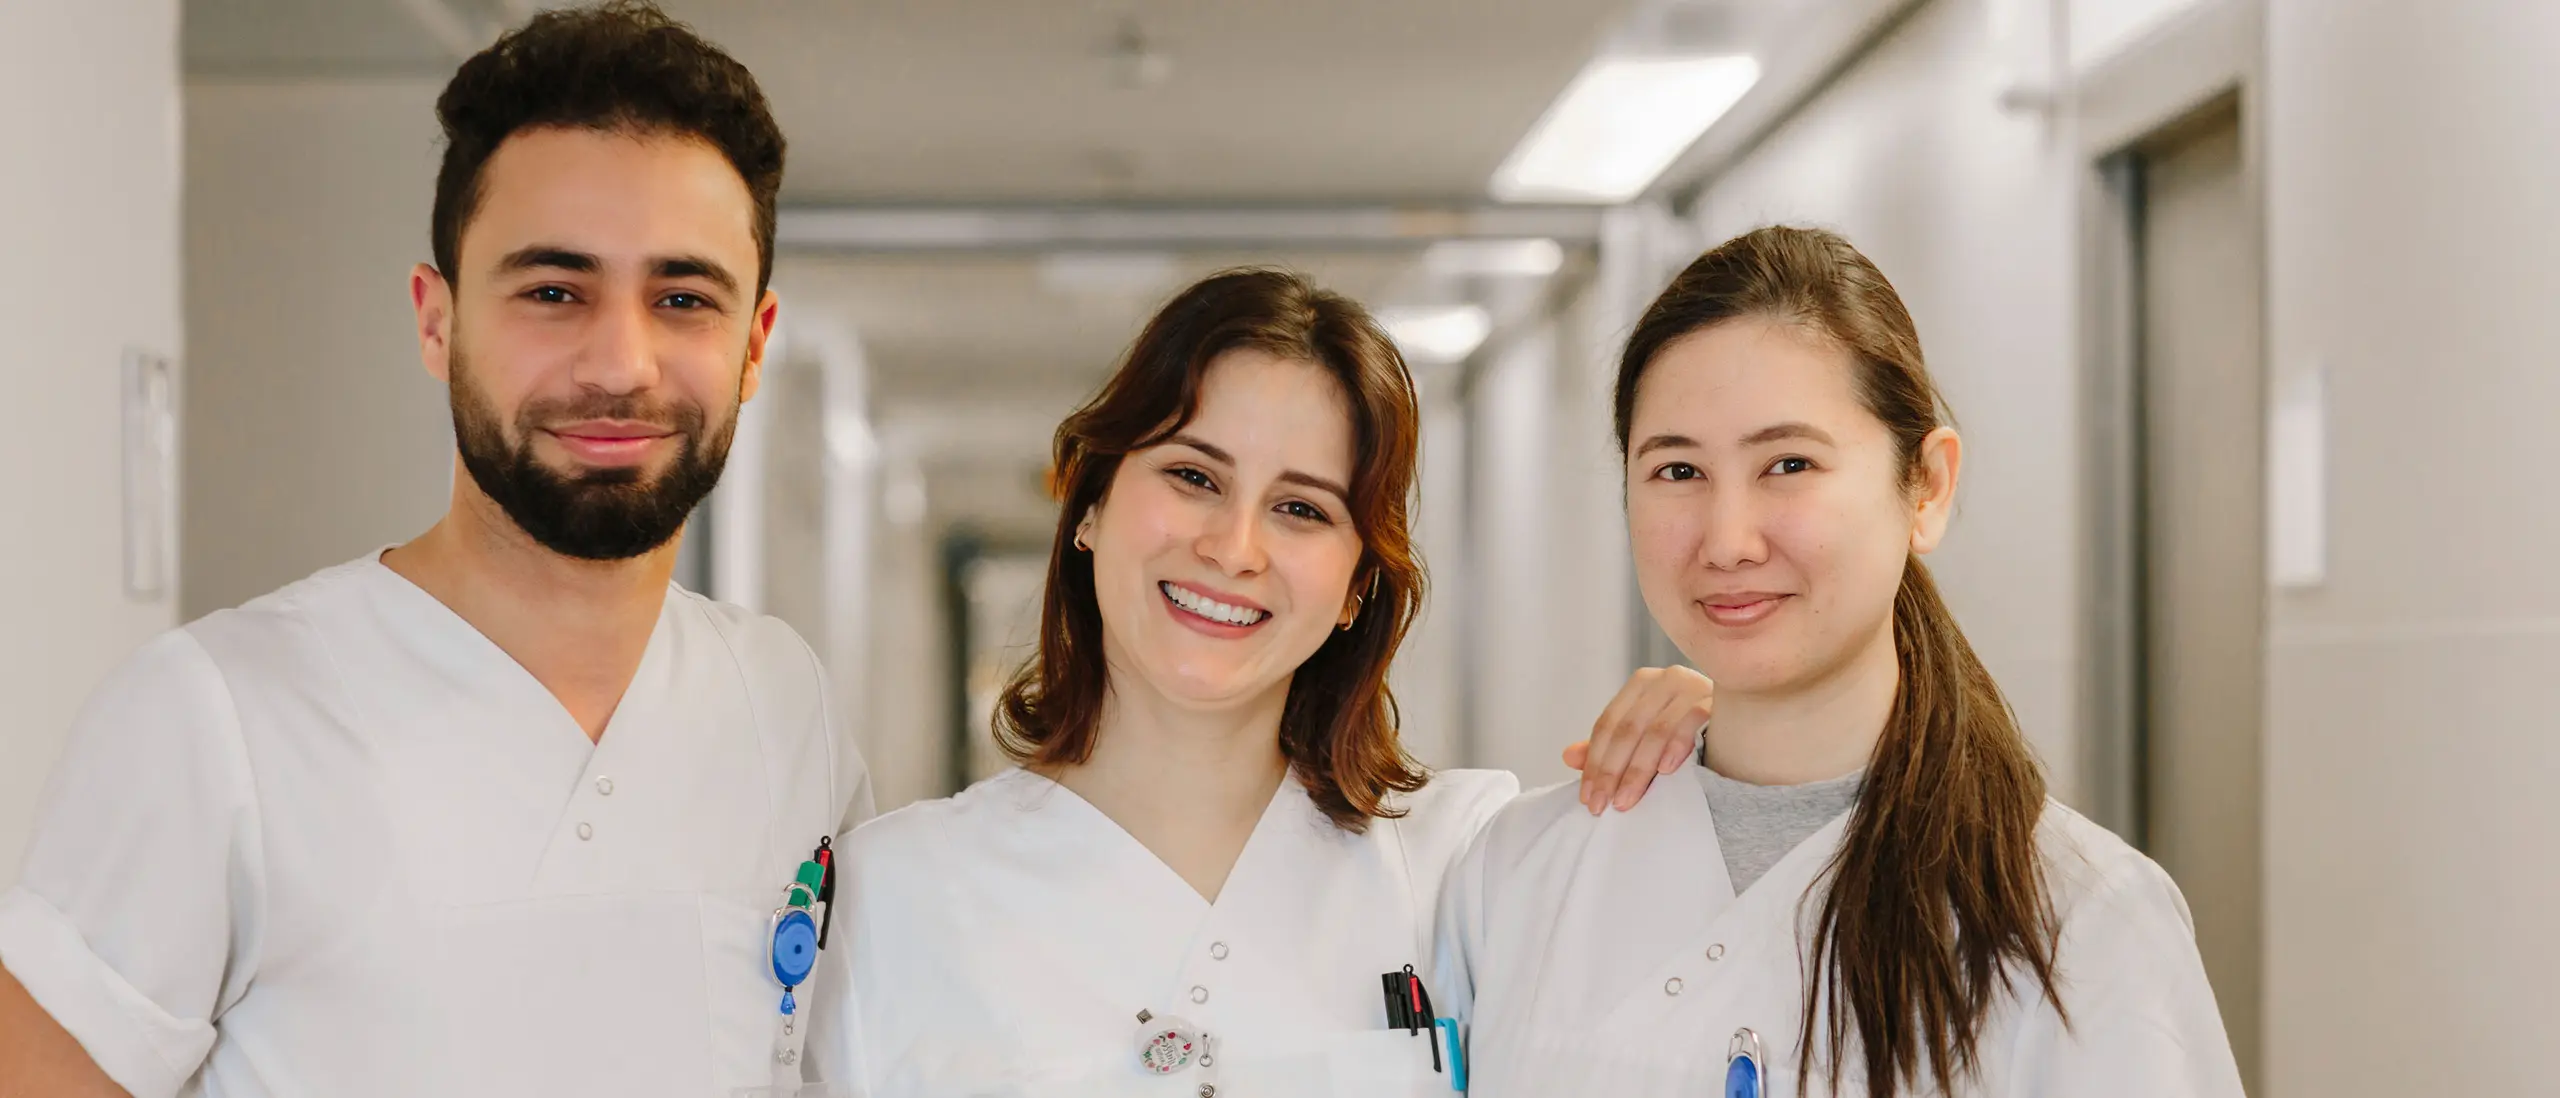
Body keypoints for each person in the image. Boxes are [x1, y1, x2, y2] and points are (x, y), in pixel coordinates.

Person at [0, 5, 869, 1096]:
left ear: (753, 346)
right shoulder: (213, 720)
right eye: (553, 292)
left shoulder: (783, 710)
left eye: (682, 298)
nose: (620, 362)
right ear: (435, 319)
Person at [811, 269, 1712, 1097]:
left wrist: (1725, 737)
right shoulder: (893, 895)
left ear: (1359, 585)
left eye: (1301, 509)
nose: (1233, 549)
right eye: (1193, 476)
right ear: (1091, 507)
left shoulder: (1465, 867)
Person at [1434, 226, 2246, 1097]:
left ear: (1926, 487)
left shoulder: (2078, 920)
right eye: (1677, 471)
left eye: (1790, 463)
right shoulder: (1517, 872)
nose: (1728, 540)